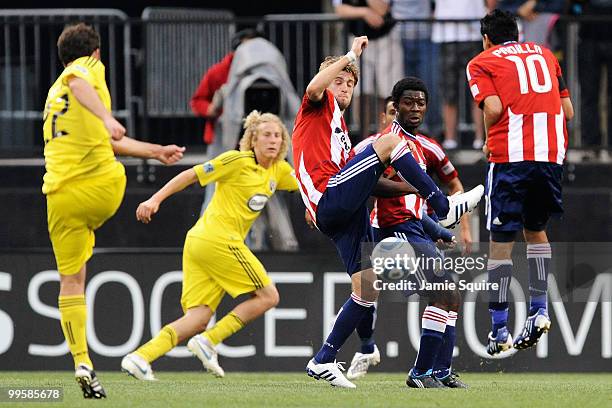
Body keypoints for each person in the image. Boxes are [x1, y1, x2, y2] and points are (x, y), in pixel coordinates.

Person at [292, 36, 484, 388]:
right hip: (329, 199)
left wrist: (414, 187)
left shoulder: (341, 133)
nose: (345, 88)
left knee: (368, 287)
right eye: (340, 81)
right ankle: (444, 207)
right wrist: (350, 55)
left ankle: (324, 358)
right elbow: (314, 86)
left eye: (351, 83)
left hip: (343, 211)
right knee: (391, 143)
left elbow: (371, 185)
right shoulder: (316, 106)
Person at [43, 23, 185, 399]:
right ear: (96, 53)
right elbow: (79, 81)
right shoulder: (85, 69)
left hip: (58, 199)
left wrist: (155, 151)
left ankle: (81, 361)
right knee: (113, 168)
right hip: (100, 189)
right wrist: (107, 117)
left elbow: (105, 137)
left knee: (71, 282)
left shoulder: (53, 95)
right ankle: (84, 363)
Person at [121, 111, 298, 380]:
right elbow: (191, 175)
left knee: (198, 317)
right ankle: (209, 341)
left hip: (201, 243)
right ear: (252, 139)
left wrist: (315, 207)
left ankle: (140, 357)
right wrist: (155, 199)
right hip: (217, 240)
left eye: (277, 135)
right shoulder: (236, 161)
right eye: (266, 135)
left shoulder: (279, 170)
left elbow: (307, 187)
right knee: (268, 296)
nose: (273, 140)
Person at [348, 78, 473, 388]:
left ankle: (439, 371)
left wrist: (437, 230)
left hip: (415, 227)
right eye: (407, 102)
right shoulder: (378, 144)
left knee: (451, 296)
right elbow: (359, 182)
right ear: (395, 107)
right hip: (393, 230)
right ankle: (420, 373)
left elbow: (416, 204)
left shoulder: (423, 147)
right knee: (442, 292)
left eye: (420, 102)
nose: (414, 108)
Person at [466, 9, 574, 355]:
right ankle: (539, 310)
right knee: (536, 229)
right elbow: (567, 110)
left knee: (500, 241)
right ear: (518, 32)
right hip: (551, 154)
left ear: (487, 38)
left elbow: (494, 108)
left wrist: (486, 139)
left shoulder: (482, 61)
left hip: (512, 157)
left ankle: (499, 329)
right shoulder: (544, 53)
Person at [432, 0, 493, 149]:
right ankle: (450, 138)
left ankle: (480, 138)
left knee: (477, 90)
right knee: (449, 91)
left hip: (473, 31)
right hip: (447, 32)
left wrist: (489, 15)